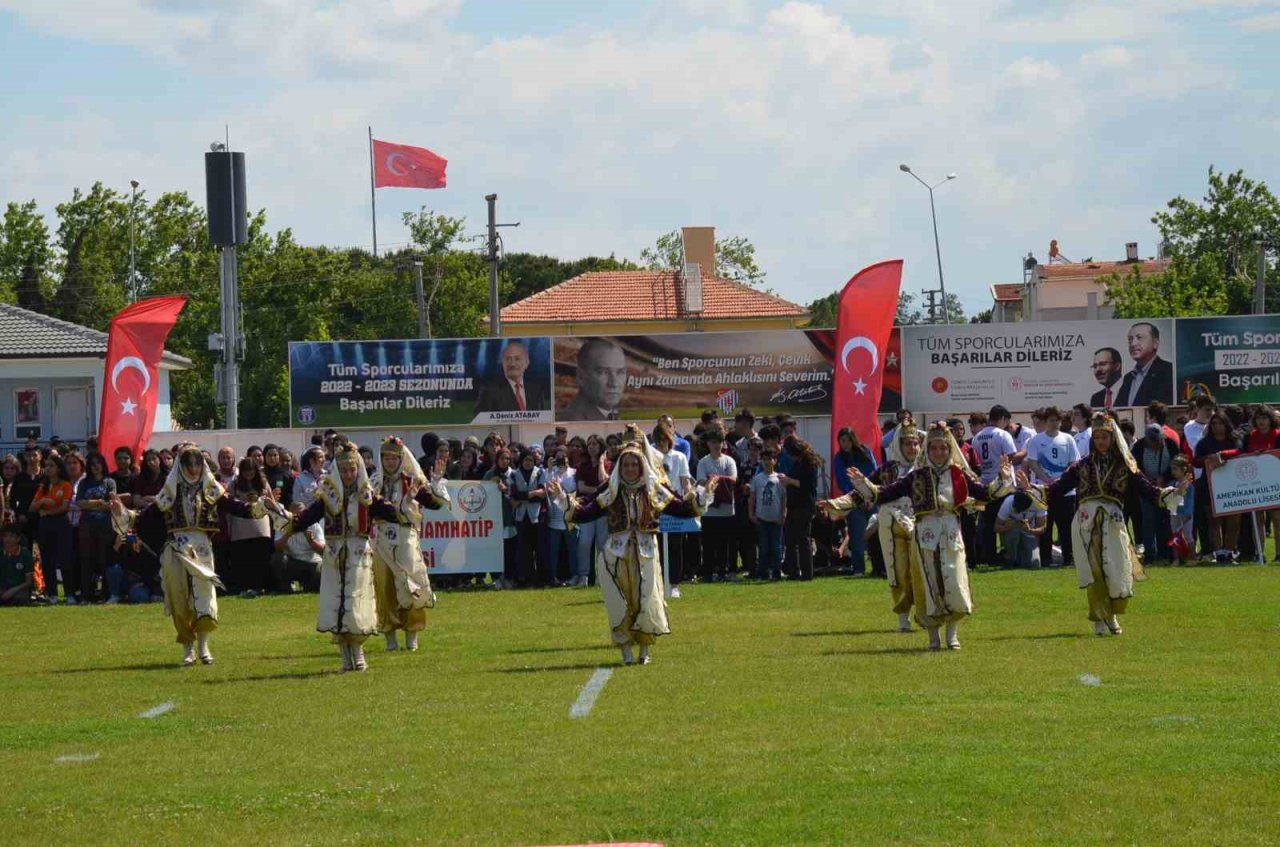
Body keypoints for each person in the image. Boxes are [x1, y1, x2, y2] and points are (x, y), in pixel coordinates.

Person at [836, 423, 1014, 650]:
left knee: (954, 580)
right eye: (934, 448)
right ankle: (933, 637)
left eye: (943, 448)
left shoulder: (957, 474)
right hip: (925, 535)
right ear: (927, 451)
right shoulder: (916, 476)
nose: (939, 453)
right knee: (929, 584)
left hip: (950, 534)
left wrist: (1002, 478)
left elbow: (984, 493)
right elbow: (886, 492)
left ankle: (952, 635)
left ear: (950, 450)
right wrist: (864, 484)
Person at [548, 426, 714, 665]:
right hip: (616, 554)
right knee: (620, 601)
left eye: (634, 464)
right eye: (626, 465)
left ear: (642, 465)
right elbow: (587, 512)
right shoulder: (611, 489)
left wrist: (702, 497)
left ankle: (644, 651)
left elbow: (681, 508)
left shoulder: (654, 488)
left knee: (647, 599)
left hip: (646, 552)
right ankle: (625, 651)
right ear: (620, 467)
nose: (630, 469)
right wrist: (563, 500)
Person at [110, 443, 273, 666]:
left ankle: (204, 646)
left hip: (202, 548)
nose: (194, 468)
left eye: (197, 462)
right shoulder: (170, 491)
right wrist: (124, 513)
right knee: (179, 598)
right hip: (175, 548)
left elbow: (237, 507)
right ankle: (188, 648)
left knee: (205, 597)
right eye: (189, 463)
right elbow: (146, 515)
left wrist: (260, 506)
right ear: (182, 464)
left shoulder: (211, 488)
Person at [821, 425, 922, 632]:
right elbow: (861, 492)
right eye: (907, 443)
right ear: (898, 445)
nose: (912, 448)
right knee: (897, 571)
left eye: (915, 443)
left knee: (923, 571)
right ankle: (903, 617)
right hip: (892, 526)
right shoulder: (888, 469)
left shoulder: (926, 468)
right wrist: (836, 504)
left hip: (922, 525)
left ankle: (925, 613)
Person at [369, 437, 449, 652]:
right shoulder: (373, 482)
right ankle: (390, 637)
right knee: (384, 587)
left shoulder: (411, 481)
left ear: (401, 458)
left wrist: (436, 484)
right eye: (386, 458)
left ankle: (412, 634)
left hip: (405, 538)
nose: (390, 462)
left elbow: (434, 505)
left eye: (394, 458)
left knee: (411, 584)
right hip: (381, 540)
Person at [1024, 406, 1079, 568]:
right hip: (1043, 490)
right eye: (1051, 420)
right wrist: (1046, 479)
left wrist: (1062, 480)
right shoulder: (1036, 440)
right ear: (1045, 421)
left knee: (1066, 527)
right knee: (1045, 526)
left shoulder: (1068, 439)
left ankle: (1068, 559)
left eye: (1057, 420)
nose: (1055, 423)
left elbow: (1074, 463)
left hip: (1066, 491)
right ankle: (1046, 559)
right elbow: (1033, 462)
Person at [971, 405, 1021, 566]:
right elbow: (1013, 458)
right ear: (1002, 419)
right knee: (1006, 520)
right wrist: (1027, 449)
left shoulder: (977, 437)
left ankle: (989, 556)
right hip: (1003, 484)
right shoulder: (1002, 434)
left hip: (985, 484)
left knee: (988, 523)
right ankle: (1009, 555)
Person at [1194, 411, 1243, 563]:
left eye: (1220, 423)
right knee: (1214, 520)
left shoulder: (1234, 439)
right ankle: (1219, 553)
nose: (1217, 427)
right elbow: (1195, 461)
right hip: (1209, 485)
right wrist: (1209, 458)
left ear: (1226, 424)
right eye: (1214, 424)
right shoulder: (1204, 443)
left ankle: (1229, 551)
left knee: (1234, 519)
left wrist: (1221, 455)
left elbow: (1239, 452)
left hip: (1233, 485)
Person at [1131, 423, 1180, 564]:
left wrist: (1164, 478)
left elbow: (1178, 464)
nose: (1155, 444)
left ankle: (1165, 553)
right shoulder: (1139, 447)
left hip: (1166, 488)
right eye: (1152, 441)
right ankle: (1150, 554)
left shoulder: (1170, 445)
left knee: (1165, 522)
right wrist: (1146, 480)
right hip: (1146, 489)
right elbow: (1133, 468)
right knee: (1148, 521)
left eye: (1158, 441)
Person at [831, 427, 877, 576]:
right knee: (857, 536)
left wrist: (870, 498)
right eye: (842, 441)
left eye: (848, 440)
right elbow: (842, 483)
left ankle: (879, 568)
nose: (845, 444)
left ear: (853, 440)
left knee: (876, 534)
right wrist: (859, 500)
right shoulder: (839, 458)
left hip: (871, 498)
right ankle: (858, 569)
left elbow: (874, 474)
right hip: (853, 501)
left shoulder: (865, 452)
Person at [75, 453, 117, 602]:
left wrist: (91, 504)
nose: (95, 466)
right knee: (86, 560)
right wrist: (99, 502)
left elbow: (111, 504)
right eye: (92, 464)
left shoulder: (109, 482)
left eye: (98, 463)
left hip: (105, 526)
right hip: (87, 526)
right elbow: (80, 503)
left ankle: (105, 594)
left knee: (103, 560)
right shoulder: (84, 483)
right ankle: (87, 595)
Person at [695, 430, 737, 582]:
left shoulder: (729, 461)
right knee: (708, 544)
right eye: (713, 442)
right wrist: (710, 481)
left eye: (718, 442)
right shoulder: (703, 462)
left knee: (724, 544)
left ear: (723, 443)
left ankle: (723, 572)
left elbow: (734, 479)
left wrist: (717, 478)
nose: (716, 445)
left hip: (726, 510)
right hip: (709, 510)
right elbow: (700, 481)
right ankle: (707, 573)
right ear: (708, 444)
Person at [32, 454, 74, 603]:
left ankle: (70, 594)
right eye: (46, 466)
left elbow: (64, 507)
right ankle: (52, 594)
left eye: (51, 466)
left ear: (58, 468)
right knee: (47, 560)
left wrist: (47, 510)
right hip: (45, 525)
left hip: (61, 524)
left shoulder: (65, 485)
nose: (48, 468)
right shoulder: (43, 486)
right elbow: (32, 507)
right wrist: (44, 500)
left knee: (64, 559)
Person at [780, 436, 821, 581]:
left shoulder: (809, 463)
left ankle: (807, 573)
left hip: (804, 505)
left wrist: (789, 480)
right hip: (793, 504)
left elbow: (807, 485)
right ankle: (793, 571)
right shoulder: (796, 464)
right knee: (790, 540)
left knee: (803, 539)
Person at [561, 338, 627, 421]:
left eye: (620, 372)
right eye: (604, 372)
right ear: (581, 377)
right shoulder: (576, 420)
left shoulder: (607, 412)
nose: (614, 383)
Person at [475, 339, 548, 413]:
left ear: (527, 363)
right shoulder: (489, 390)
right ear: (503, 363)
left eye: (517, 359)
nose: (512, 364)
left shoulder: (536, 390)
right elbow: (479, 418)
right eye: (508, 359)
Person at [1115, 322, 1174, 407]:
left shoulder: (1168, 371)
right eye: (1130, 339)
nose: (1133, 344)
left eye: (1139, 338)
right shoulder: (1129, 378)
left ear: (1155, 343)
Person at [749, 448, 786, 580]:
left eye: (769, 459)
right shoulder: (757, 479)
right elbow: (752, 497)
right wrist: (751, 513)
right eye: (764, 460)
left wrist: (783, 514)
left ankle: (777, 572)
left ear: (775, 461)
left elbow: (783, 499)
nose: (767, 462)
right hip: (762, 518)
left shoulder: (779, 479)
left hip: (776, 519)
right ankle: (762, 573)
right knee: (763, 548)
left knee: (776, 547)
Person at [484, 449, 518, 589]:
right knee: (495, 549)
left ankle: (509, 577)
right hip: (494, 518)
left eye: (508, 459)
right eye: (503, 458)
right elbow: (483, 493)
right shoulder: (490, 474)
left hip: (510, 518)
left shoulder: (514, 475)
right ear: (497, 459)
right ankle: (497, 577)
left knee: (509, 549)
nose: (505, 461)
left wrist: (506, 490)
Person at [994, 491, 1047, 569]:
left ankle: (1020, 558)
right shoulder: (1008, 502)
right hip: (1012, 530)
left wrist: (1030, 530)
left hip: (1030, 532)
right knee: (1012, 535)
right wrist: (1006, 527)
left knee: (1034, 564)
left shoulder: (1039, 504)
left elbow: (1043, 528)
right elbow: (996, 527)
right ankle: (1010, 557)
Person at [1167, 455, 1195, 566]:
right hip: (1174, 513)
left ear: (1183, 469)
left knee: (1188, 536)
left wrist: (1188, 513)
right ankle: (1176, 559)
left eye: (1175, 469)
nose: (1173, 472)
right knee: (1175, 535)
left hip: (1186, 514)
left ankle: (1193, 558)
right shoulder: (1172, 484)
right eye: (1172, 469)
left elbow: (1188, 500)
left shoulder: (1188, 484)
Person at [0, 524, 35, 605]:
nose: (7, 539)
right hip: (3, 587)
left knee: (20, 599)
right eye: (5, 536)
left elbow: (29, 581)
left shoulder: (25, 554)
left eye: (11, 536)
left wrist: (13, 590)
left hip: (19, 589)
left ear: (18, 539)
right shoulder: (1, 552)